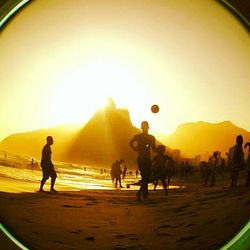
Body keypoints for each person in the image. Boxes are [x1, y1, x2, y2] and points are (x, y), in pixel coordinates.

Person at [129, 121, 157, 200]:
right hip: (143, 159)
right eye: (144, 126)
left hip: (144, 159)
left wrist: (134, 148)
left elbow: (130, 143)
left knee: (145, 177)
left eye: (145, 126)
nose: (144, 128)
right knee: (146, 177)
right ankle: (142, 194)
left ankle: (143, 194)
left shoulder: (143, 137)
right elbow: (155, 150)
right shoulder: (149, 137)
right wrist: (135, 148)